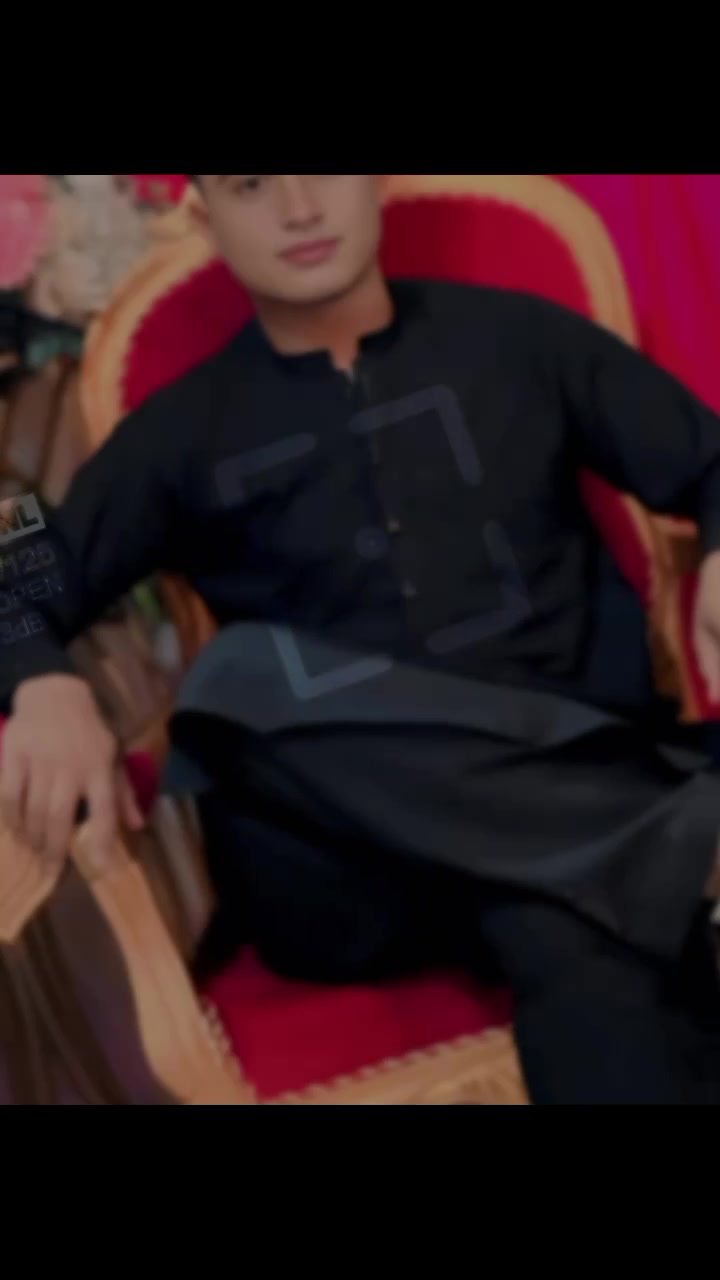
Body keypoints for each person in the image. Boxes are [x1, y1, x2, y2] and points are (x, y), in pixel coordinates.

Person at [1, 174, 720, 1105]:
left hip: (576, 798)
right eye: (253, 185)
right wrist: (41, 681)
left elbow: (710, 459)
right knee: (239, 677)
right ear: (205, 216)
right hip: (348, 876)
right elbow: (18, 547)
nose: (300, 208)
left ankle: (646, 855)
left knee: (585, 940)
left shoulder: (520, 337)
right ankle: (680, 842)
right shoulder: (179, 428)